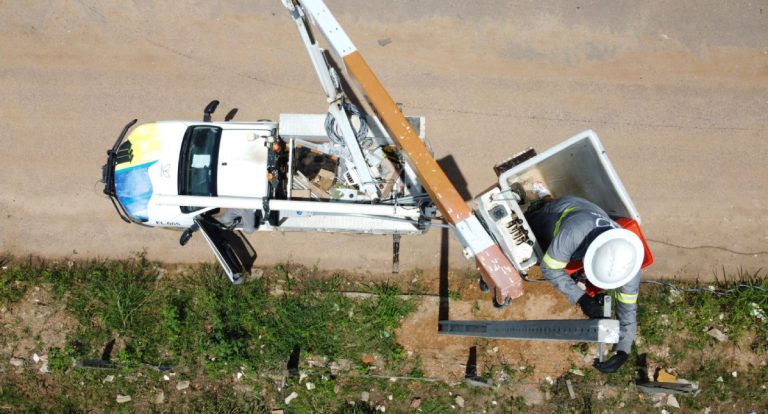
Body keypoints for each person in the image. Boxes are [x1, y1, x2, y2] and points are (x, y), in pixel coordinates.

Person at [524, 184, 644, 373]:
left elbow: (628, 308)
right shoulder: (575, 231)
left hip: (588, 217)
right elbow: (549, 268)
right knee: (529, 232)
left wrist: (623, 349)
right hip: (561, 213)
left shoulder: (628, 264)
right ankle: (541, 202)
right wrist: (582, 298)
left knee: (564, 261)